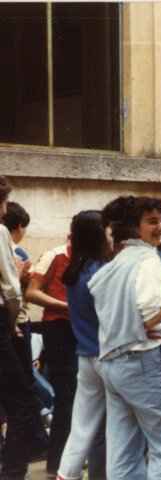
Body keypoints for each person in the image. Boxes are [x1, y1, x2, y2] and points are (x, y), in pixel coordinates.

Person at [88, 196, 161, 480]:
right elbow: (150, 317)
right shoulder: (148, 261)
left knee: (123, 451)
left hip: (112, 363)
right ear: (133, 226)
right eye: (152, 221)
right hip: (143, 361)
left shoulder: (116, 262)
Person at [57, 210, 113, 480]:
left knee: (80, 428)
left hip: (85, 356)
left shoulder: (74, 272)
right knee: (119, 430)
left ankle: (66, 474)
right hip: (108, 357)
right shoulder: (101, 272)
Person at [0, 176, 44, 479]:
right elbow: (11, 289)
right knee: (23, 403)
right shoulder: (1, 231)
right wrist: (12, 322)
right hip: (3, 323)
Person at [25, 221, 75, 474]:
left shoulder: (92, 259)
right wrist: (65, 305)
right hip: (58, 329)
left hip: (80, 330)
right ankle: (57, 461)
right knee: (67, 397)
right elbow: (32, 293)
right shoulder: (54, 256)